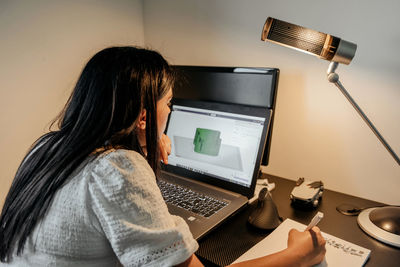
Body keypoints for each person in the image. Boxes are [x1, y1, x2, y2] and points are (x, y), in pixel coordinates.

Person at [0, 46, 325, 266]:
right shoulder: (118, 169)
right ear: (142, 118)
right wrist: (298, 254)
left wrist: (143, 146)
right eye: (168, 103)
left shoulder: (48, 147)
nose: (170, 111)